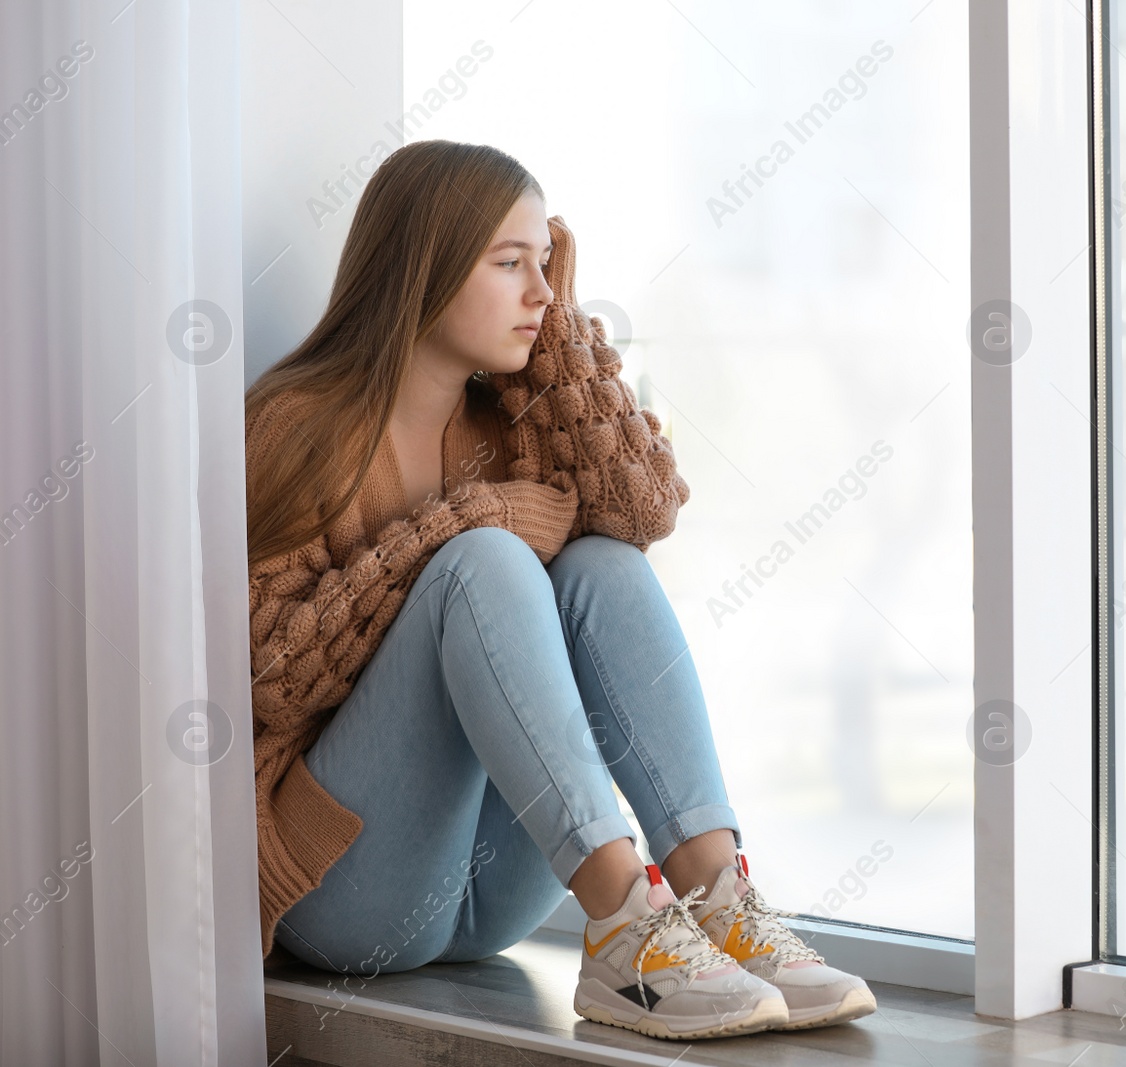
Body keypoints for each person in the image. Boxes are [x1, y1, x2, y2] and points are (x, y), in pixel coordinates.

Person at [245, 139, 875, 1040]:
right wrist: (467, 520)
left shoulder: (512, 419)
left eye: (548, 264)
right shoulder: (296, 423)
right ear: (422, 268)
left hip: (495, 892)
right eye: (512, 264)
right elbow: (273, 671)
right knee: (487, 557)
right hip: (347, 892)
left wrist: (566, 336)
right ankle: (627, 927)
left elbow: (642, 508)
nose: (542, 291)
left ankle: (712, 893)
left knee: (600, 560)